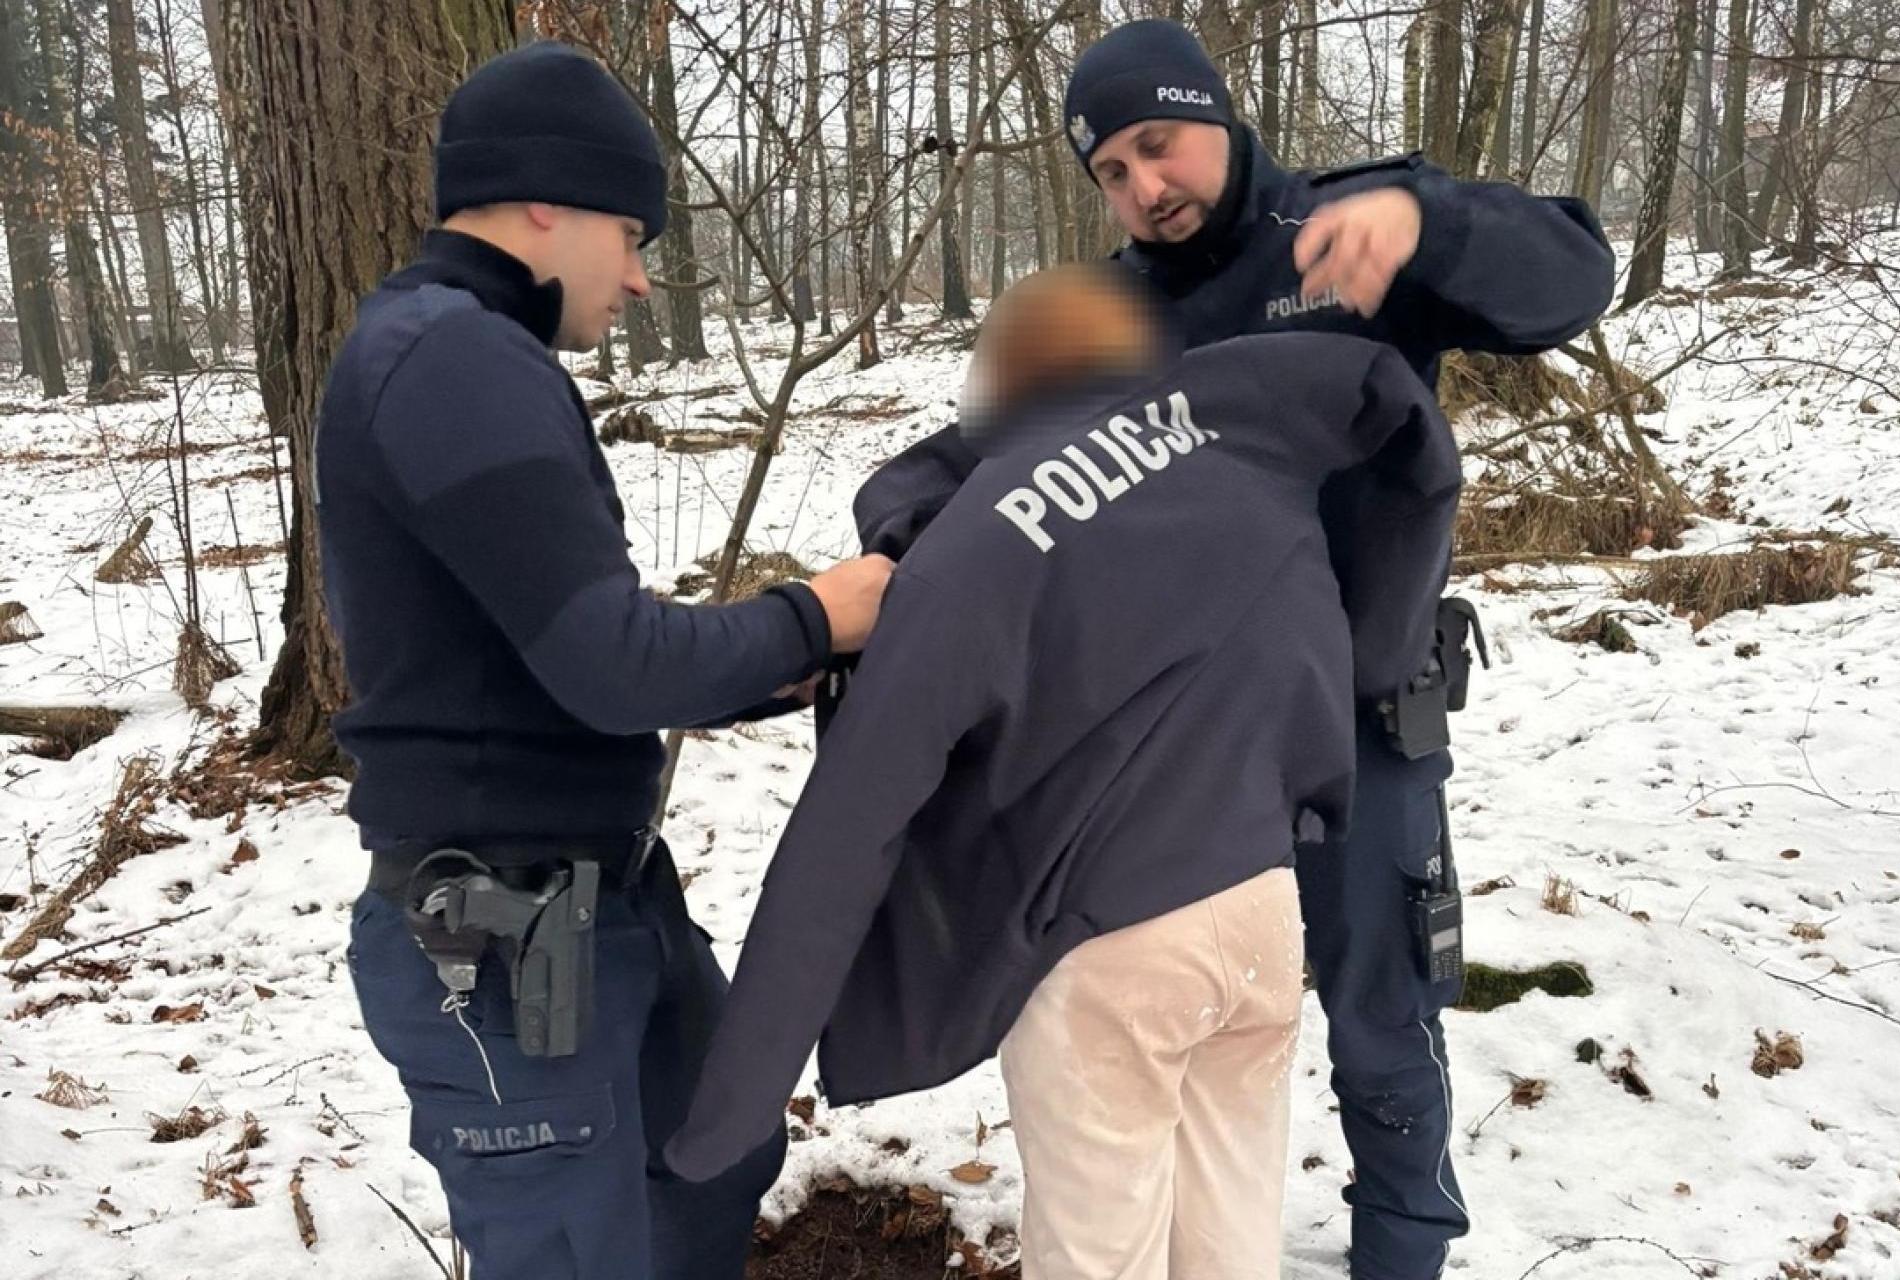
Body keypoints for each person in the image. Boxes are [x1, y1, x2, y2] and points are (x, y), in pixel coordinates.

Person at [829, 20, 1617, 1278]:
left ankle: (1404, 1251)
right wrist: (917, 534)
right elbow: (956, 464)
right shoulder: (1105, 312)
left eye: (1158, 145)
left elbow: (1575, 277)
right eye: (1112, 173)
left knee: (1382, 1017)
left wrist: (1432, 221)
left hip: (1365, 724)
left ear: (1217, 113)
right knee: (1189, 1036)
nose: (1146, 188)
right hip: (1181, 761)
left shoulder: (1351, 232)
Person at [662, 264, 1463, 1280]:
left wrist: (728, 1109)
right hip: (1262, 918)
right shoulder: (1248, 446)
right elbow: (1413, 451)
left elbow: (849, 822)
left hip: (1104, 954)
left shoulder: (976, 545)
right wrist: (1379, 657)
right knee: (1227, 1243)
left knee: (1098, 1258)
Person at [314, 41, 892, 1280]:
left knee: (716, 1151)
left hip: (591, 904)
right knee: (581, 1251)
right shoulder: (452, 359)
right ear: (544, 201)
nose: (637, 278)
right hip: (497, 937)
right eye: (631, 233)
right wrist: (817, 615)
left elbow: (538, 644)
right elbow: (610, 661)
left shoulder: (464, 355)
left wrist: (754, 672)